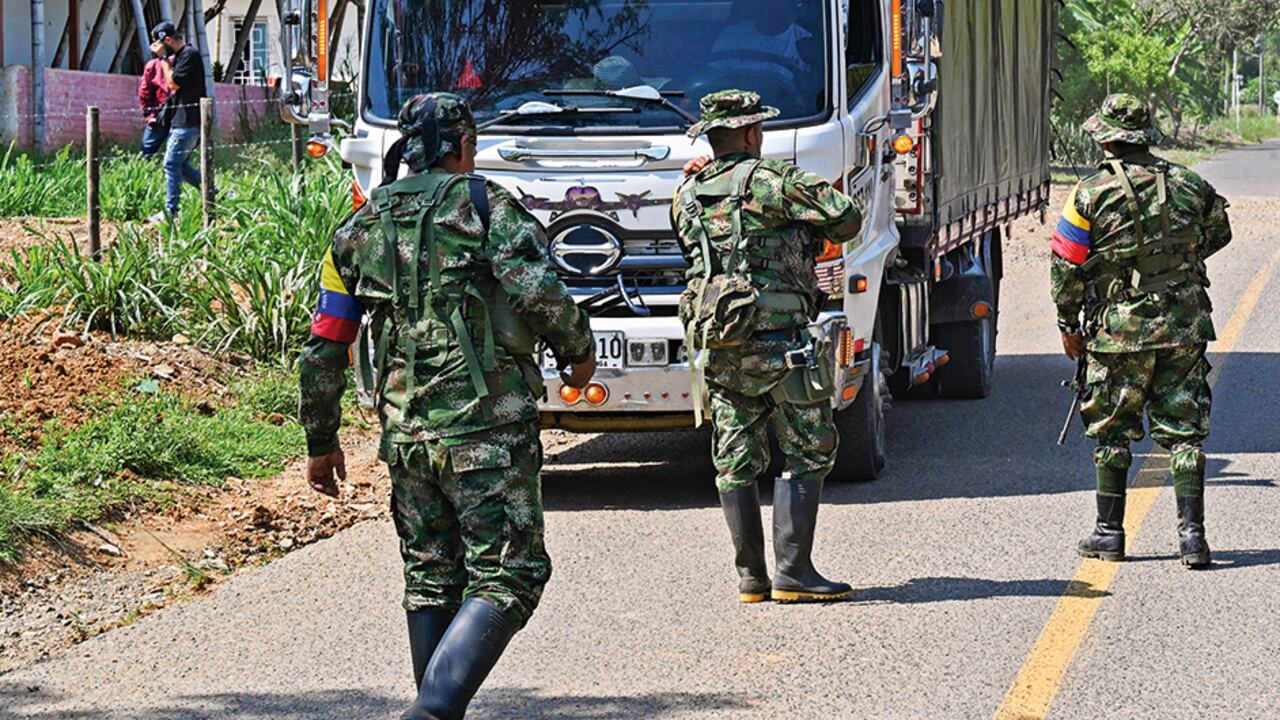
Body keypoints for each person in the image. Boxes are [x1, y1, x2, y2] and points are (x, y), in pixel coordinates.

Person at [299, 93, 596, 719]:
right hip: (487, 430)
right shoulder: (486, 208)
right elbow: (541, 292)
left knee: (431, 574)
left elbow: (326, 341)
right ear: (463, 144)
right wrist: (579, 352)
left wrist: (321, 439)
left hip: (405, 434)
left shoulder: (358, 226)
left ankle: (438, 713)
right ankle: (430, 713)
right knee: (511, 574)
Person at [673, 90, 862, 603]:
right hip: (781, 346)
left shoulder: (686, 193)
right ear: (753, 133)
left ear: (711, 138)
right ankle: (794, 572)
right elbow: (846, 216)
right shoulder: (775, 183)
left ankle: (751, 578)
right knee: (808, 449)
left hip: (721, 344)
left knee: (734, 458)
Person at [1051, 94, 1232, 569]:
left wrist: (1069, 324)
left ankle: (1109, 534)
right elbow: (1220, 232)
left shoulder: (1089, 193)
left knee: (1113, 432)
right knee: (1185, 432)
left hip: (1119, 332)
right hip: (1184, 325)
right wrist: (1174, 267)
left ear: (1107, 138)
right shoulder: (1192, 185)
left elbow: (1065, 265)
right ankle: (1192, 539)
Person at [150, 21, 205, 221]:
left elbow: (173, 83)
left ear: (167, 40)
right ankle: (216, 195)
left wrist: (163, 58)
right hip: (180, 120)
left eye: (160, 44)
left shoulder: (189, 55)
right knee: (180, 166)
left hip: (188, 122)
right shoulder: (182, 56)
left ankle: (170, 212)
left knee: (171, 164)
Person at [138, 40, 170, 158]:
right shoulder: (182, 62)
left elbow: (145, 91)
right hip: (178, 116)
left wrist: (147, 114)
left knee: (145, 153)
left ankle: (143, 173)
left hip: (158, 114)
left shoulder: (153, 65)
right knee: (177, 157)